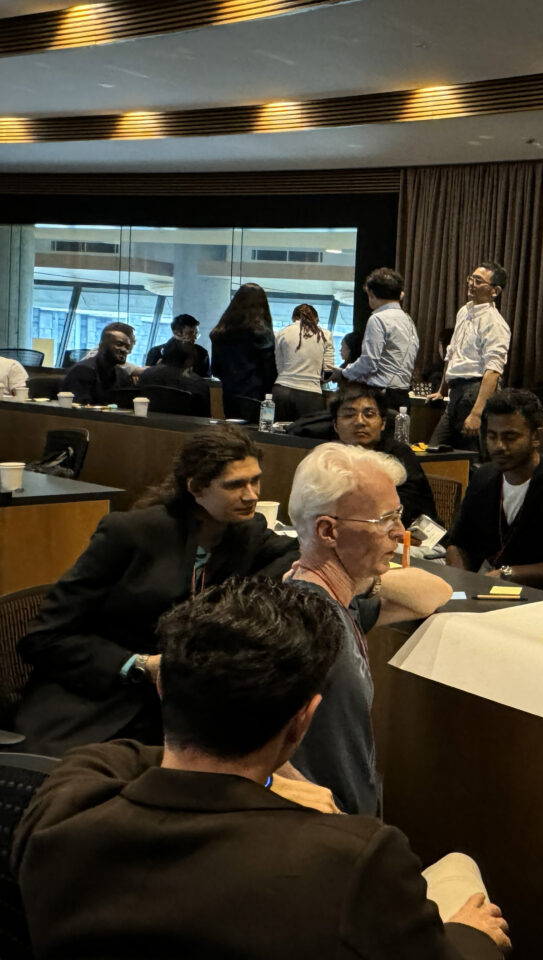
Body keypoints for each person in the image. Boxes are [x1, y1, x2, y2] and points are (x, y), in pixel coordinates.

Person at [14, 575, 510, 960]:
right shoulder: (355, 859)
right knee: (460, 871)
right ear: (303, 721)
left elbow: (124, 754)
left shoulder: (64, 802)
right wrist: (473, 935)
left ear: (163, 687)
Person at [14, 427, 298, 754]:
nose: (251, 495)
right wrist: (141, 665)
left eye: (255, 480)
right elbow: (44, 637)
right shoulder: (132, 533)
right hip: (97, 704)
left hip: (182, 711)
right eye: (235, 485)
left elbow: (297, 555)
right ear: (196, 488)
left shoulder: (246, 532)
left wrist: (234, 598)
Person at [283, 442, 453, 815]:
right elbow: (232, 737)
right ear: (328, 531)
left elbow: (436, 593)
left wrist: (361, 581)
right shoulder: (304, 623)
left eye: (399, 515)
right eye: (384, 520)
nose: (400, 532)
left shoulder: (338, 602)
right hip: (326, 831)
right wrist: (312, 804)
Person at [444, 389, 543, 588]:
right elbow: (458, 542)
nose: (499, 446)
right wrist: (461, 582)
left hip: (539, 595)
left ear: (536, 436)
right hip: (484, 587)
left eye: (510, 437)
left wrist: (508, 574)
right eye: (492, 436)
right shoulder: (483, 477)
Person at [331, 383, 438, 527]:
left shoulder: (399, 455)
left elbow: (403, 510)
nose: (359, 422)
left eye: (369, 415)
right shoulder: (328, 456)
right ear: (335, 425)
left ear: (383, 423)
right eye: (349, 415)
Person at [435, 263, 511, 452]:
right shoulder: (464, 311)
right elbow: (453, 353)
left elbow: (493, 371)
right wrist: (442, 390)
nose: (471, 284)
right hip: (456, 393)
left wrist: (477, 413)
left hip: (475, 392)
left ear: (495, 291)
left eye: (478, 281)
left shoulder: (495, 323)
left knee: (470, 456)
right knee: (433, 452)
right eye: (471, 278)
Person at [338, 266, 419, 414]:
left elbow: (369, 362)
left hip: (382, 394)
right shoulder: (408, 320)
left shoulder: (378, 319)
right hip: (402, 394)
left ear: (372, 294)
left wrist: (344, 373)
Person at [209, 282, 278, 402]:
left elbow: (216, 370)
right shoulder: (263, 335)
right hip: (256, 397)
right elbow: (269, 374)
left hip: (229, 394)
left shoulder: (220, 333)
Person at [274, 302, 334, 419]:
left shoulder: (281, 333)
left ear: (293, 318)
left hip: (282, 390)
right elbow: (328, 371)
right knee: (308, 430)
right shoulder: (325, 335)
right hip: (310, 394)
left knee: (279, 429)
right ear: (316, 319)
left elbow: (279, 366)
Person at [58, 322, 133, 404]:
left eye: (127, 347)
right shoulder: (82, 371)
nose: (124, 350)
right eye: (119, 344)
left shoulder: (122, 375)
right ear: (102, 345)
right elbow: (79, 408)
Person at [136, 339, 212, 415]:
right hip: (185, 422)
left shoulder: (146, 375)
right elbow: (204, 416)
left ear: (164, 354)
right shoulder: (198, 383)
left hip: (145, 420)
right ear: (188, 360)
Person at [144, 312, 211, 376]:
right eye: (190, 333)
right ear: (176, 333)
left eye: (196, 333)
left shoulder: (202, 353)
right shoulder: (156, 352)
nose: (195, 337)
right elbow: (148, 377)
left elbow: (206, 379)